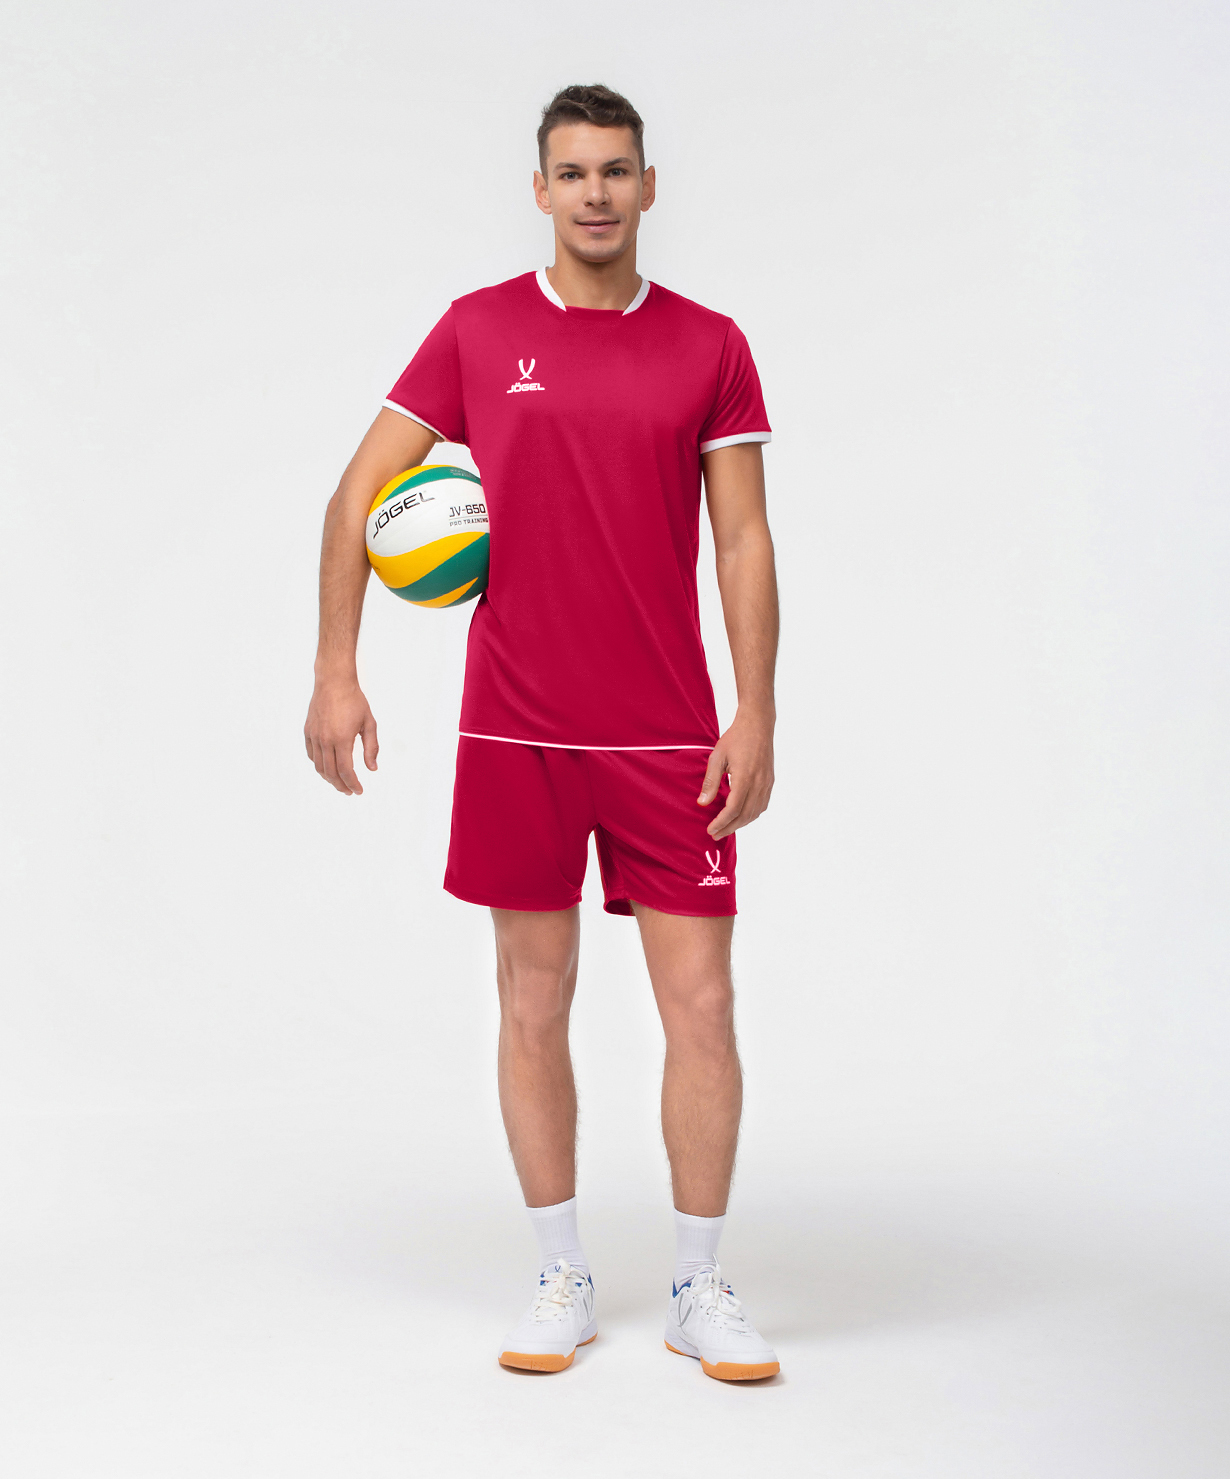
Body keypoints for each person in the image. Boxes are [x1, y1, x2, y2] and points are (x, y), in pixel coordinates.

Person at [304, 84, 781, 1382]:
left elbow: (742, 536)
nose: (594, 193)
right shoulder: (477, 330)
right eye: (572, 172)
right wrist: (337, 669)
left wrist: (756, 707)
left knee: (702, 1002)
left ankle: (697, 1286)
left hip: (667, 734)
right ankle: (560, 1273)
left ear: (648, 187)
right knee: (532, 998)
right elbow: (356, 495)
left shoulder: (710, 344)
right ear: (539, 190)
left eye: (615, 171)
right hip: (515, 729)